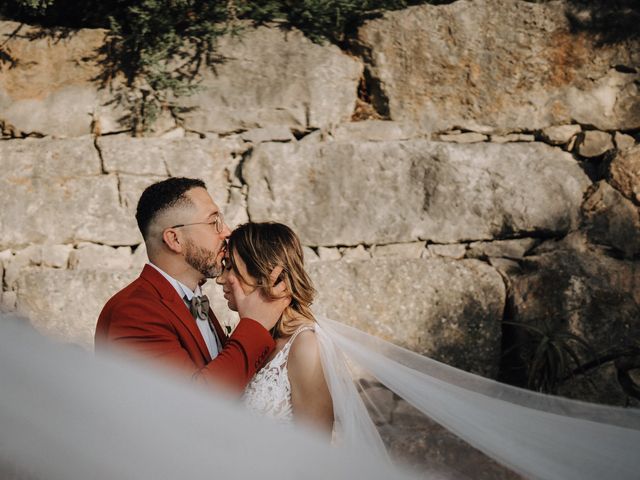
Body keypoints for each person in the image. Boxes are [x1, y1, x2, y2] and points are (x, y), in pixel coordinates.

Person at [95, 177, 290, 392]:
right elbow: (193, 404)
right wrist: (256, 324)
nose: (226, 231)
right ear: (174, 240)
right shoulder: (134, 312)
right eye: (213, 222)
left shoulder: (191, 299)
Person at [216, 222, 334, 434]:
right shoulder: (248, 335)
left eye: (230, 266)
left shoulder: (305, 345)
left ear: (265, 273)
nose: (220, 279)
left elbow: (317, 453)